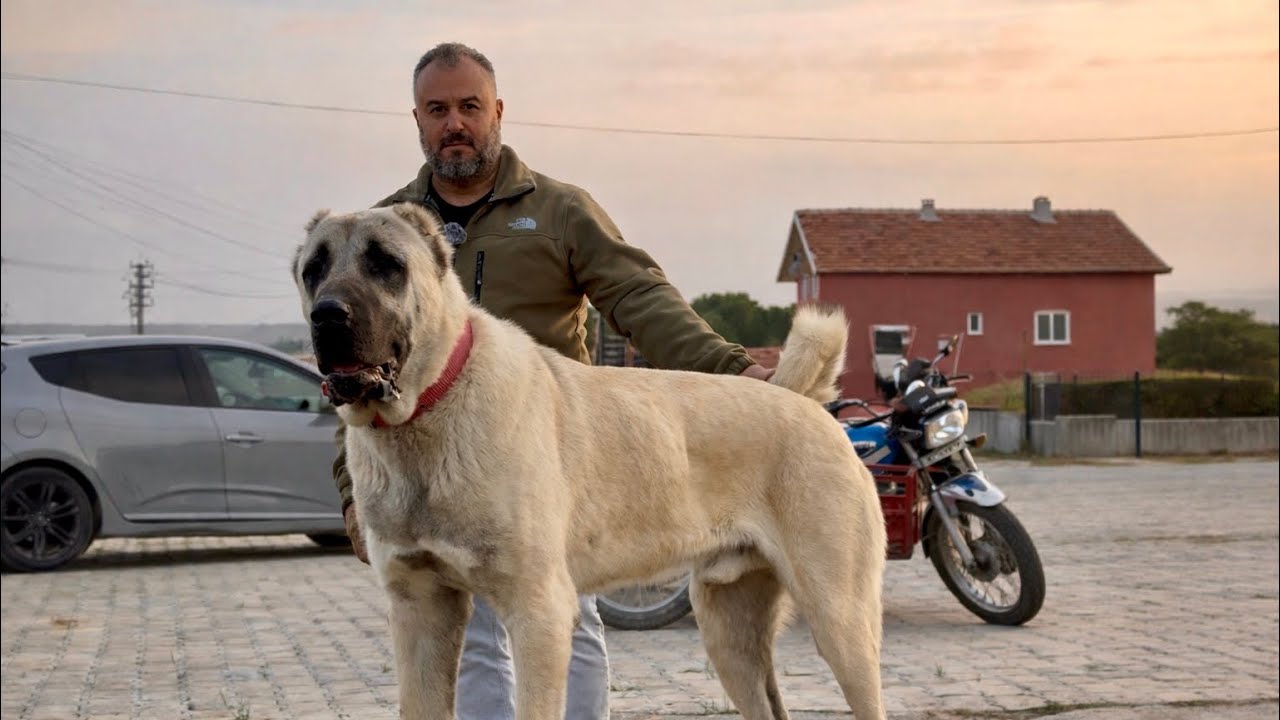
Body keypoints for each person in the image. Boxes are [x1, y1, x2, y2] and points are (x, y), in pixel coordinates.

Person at [332, 41, 772, 719]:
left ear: (498, 111)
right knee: (470, 640)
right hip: (435, 469)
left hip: (547, 463)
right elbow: (361, 368)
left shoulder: (562, 210)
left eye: (469, 106)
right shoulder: (386, 233)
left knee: (568, 618)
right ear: (416, 120)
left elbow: (640, 299)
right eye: (438, 109)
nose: (455, 123)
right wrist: (351, 495)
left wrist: (735, 372)